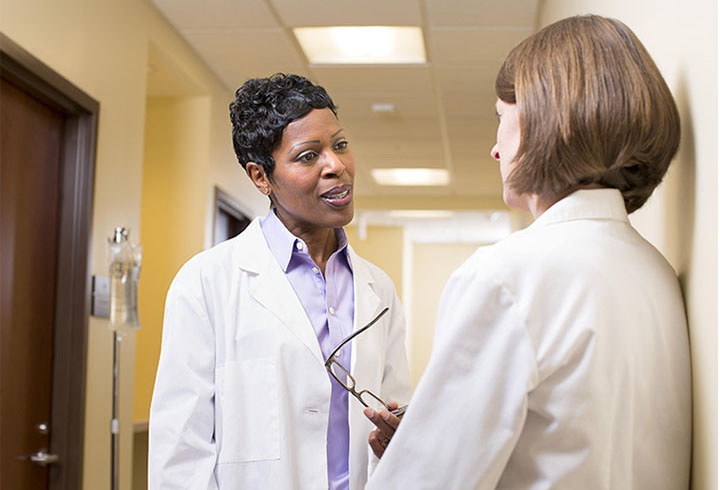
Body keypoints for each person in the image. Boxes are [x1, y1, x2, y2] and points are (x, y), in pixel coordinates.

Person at [364, 15, 691, 489]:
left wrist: (410, 457)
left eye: (501, 119)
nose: (495, 150)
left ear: (543, 120)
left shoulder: (507, 275)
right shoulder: (653, 271)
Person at [148, 73, 411, 489]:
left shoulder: (379, 289)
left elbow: (394, 415)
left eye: (340, 145)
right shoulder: (205, 283)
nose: (336, 166)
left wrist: (398, 435)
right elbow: (181, 454)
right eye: (309, 156)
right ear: (260, 177)